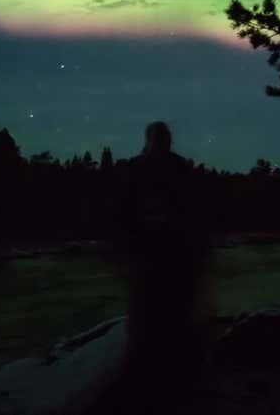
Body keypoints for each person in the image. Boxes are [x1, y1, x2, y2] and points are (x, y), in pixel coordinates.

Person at [111, 121, 209, 414]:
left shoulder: (136, 169)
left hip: (150, 264)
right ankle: (174, 392)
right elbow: (197, 218)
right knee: (172, 328)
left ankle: (147, 394)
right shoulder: (181, 170)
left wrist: (124, 252)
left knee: (146, 329)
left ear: (149, 140)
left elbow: (121, 215)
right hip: (175, 264)